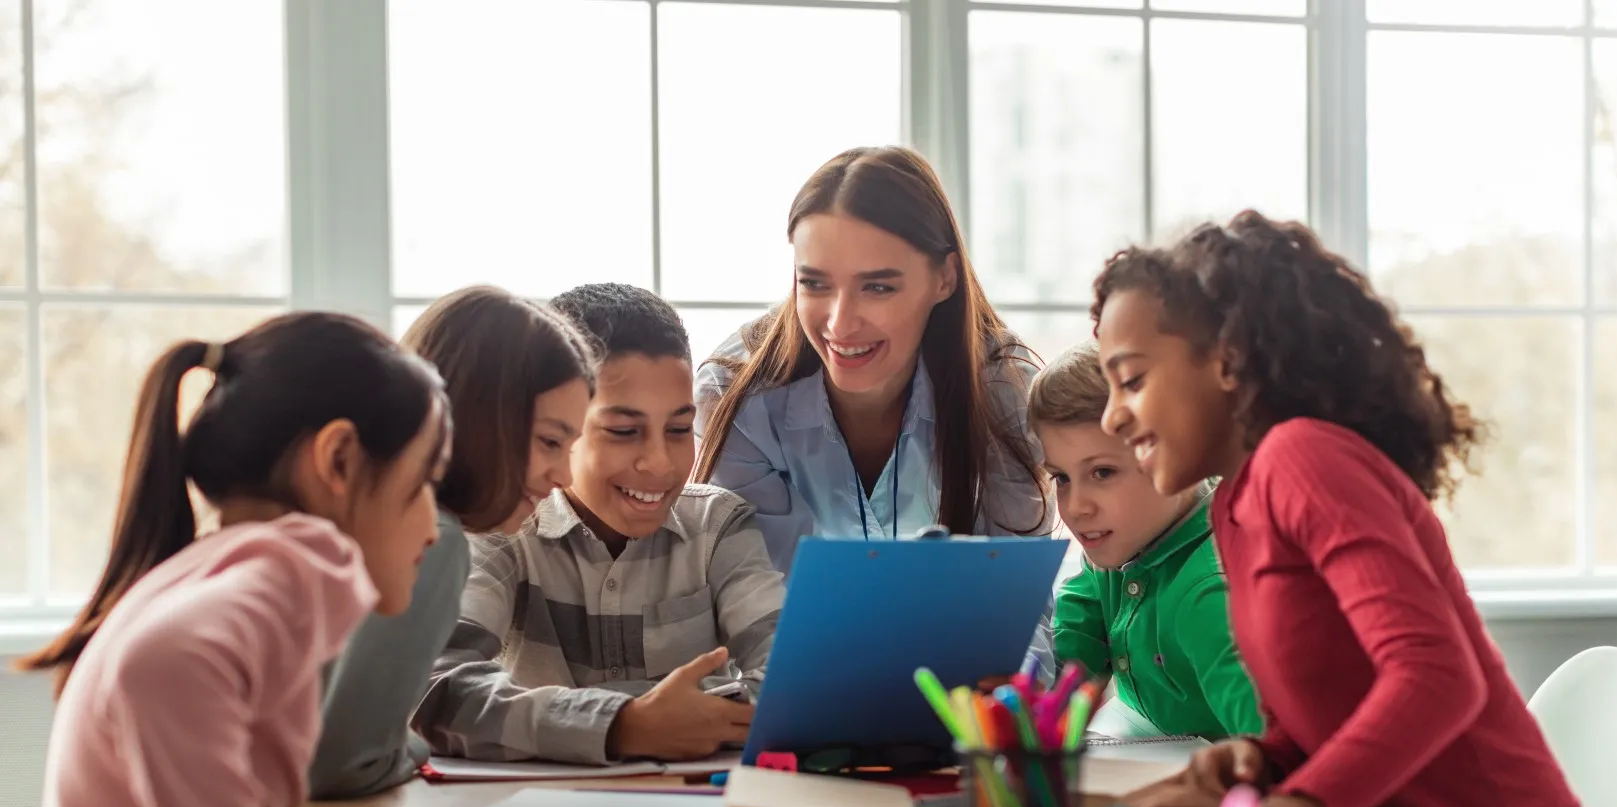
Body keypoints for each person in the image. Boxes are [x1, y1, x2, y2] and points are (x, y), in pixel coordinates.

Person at [1094, 211, 1608, 807]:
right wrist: (1260, 762)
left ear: (1226, 359)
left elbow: (1437, 676)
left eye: (1132, 379)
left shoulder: (1303, 459)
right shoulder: (1234, 507)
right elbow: (1321, 722)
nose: (1113, 416)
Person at [23, 313, 448, 807]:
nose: (433, 526)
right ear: (340, 461)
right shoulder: (284, 567)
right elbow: (163, 665)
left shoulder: (224, 565)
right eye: (422, 485)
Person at [416, 284, 784, 763]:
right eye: (623, 432)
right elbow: (438, 690)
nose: (658, 463)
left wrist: (564, 719)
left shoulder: (719, 525)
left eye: (678, 429)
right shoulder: (503, 529)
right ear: (563, 425)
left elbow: (786, 685)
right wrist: (624, 726)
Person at [693, 146, 1053, 574]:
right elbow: (760, 603)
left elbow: (1013, 606)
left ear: (945, 278)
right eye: (814, 283)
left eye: (878, 288)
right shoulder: (735, 396)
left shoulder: (1005, 393)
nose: (840, 325)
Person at [311, 286, 595, 798]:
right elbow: (346, 764)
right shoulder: (430, 541)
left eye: (572, 447)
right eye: (550, 442)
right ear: (480, 417)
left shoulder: (351, 520)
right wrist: (413, 745)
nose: (564, 475)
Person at [1031, 341, 1260, 741]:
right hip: (1149, 744)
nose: (1076, 507)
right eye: (1061, 478)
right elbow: (1076, 639)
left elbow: (1273, 750)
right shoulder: (1120, 549)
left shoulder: (1208, 594)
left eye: (1102, 472)